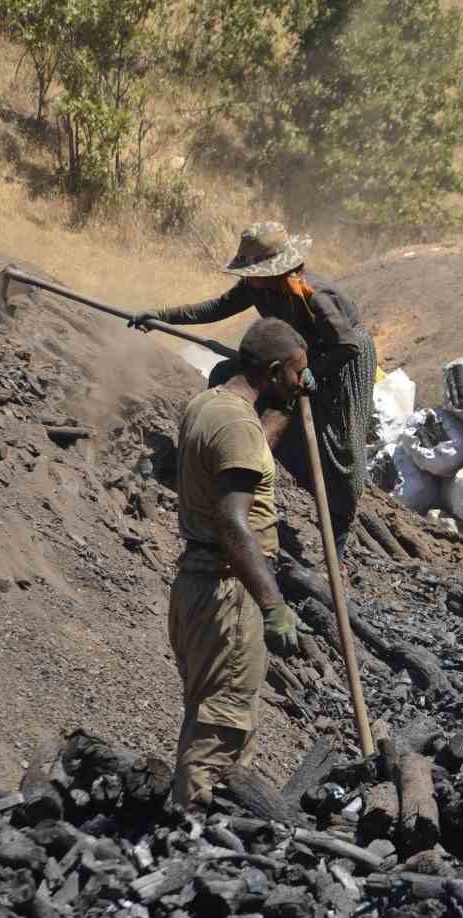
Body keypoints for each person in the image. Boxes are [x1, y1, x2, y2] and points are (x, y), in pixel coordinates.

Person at [131, 222, 376, 560]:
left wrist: (312, 372)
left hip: (338, 359)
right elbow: (214, 309)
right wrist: (161, 317)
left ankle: (337, 543)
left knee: (339, 448)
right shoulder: (257, 287)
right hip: (292, 356)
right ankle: (229, 454)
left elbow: (346, 344)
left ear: (274, 269)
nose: (246, 276)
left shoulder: (312, 293)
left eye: (252, 269)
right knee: (225, 375)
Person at [168, 317, 311, 807]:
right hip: (227, 590)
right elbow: (234, 522)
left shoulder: (210, 407)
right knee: (222, 727)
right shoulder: (234, 424)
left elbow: (249, 457)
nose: (299, 381)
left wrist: (283, 411)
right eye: (295, 373)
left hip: (197, 581)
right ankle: (194, 841)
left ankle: (207, 831)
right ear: (272, 371)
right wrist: (271, 603)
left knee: (212, 713)